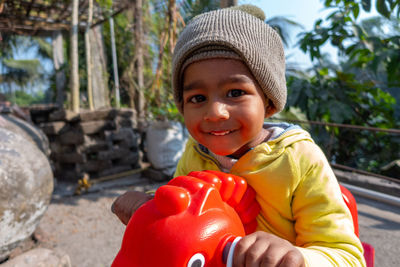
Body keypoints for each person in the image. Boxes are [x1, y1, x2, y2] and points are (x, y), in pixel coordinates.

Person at [112, 5, 366, 266]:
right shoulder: (195, 153)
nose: (215, 112)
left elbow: (347, 256)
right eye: (197, 98)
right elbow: (181, 209)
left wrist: (298, 258)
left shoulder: (299, 160)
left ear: (268, 102)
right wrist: (149, 205)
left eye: (235, 93)